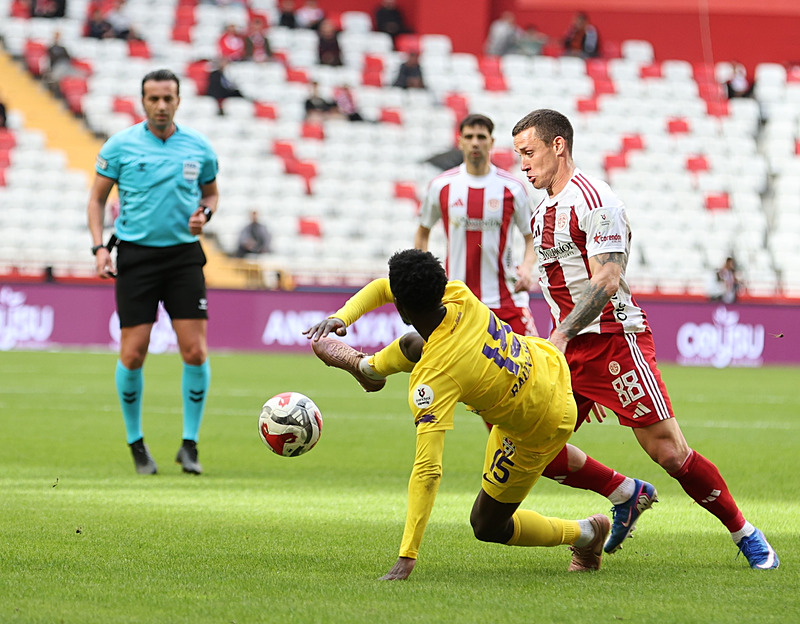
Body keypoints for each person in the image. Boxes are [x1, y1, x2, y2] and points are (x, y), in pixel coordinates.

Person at [510, 108, 778, 569]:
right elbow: (552, 267)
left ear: (558, 146)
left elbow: (607, 279)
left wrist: (559, 335)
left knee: (670, 452)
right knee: (526, 449)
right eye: (518, 155)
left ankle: (746, 534)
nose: (523, 164)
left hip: (614, 340)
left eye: (529, 152)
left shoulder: (597, 201)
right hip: (567, 351)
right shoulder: (541, 213)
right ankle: (625, 492)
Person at [305, 249, 611, 580]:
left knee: (487, 525)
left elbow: (428, 469)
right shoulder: (458, 293)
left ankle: (588, 534)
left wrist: (407, 554)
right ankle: (368, 368)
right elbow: (384, 287)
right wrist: (343, 317)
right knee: (414, 344)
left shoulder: (435, 377)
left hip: (540, 422)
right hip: (548, 365)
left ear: (403, 310)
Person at [87, 69, 219, 476]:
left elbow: (211, 194)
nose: (161, 106)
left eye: (168, 98)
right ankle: (137, 444)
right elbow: (95, 200)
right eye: (153, 99)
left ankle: (189, 445)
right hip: (137, 259)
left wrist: (206, 214)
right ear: (142, 101)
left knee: (195, 351)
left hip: (183, 257)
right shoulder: (121, 146)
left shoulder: (199, 147)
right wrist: (97, 247)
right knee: (133, 352)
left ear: (178, 100)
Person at [415, 114, 537, 337]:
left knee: (534, 365)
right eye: (469, 136)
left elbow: (532, 237)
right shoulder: (441, 186)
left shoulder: (512, 187)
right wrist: (426, 273)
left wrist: (527, 268)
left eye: (481, 136)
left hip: (507, 297)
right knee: (459, 370)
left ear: (491, 142)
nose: (475, 142)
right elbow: (423, 231)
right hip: (457, 300)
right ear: (460, 141)